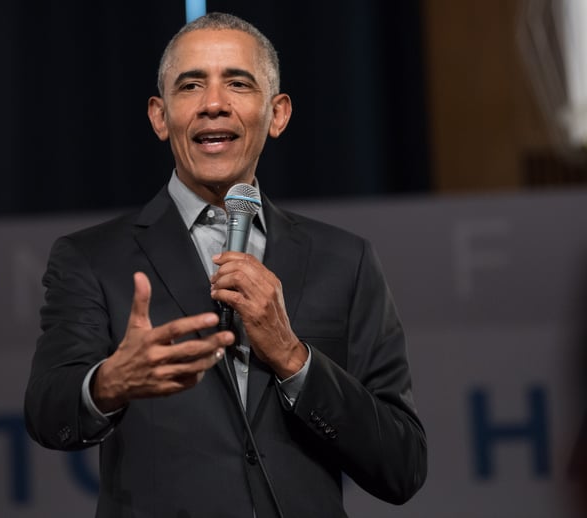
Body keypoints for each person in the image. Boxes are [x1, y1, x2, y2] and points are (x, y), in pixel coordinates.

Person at [25, 12, 427, 518]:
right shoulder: (91, 258)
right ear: (159, 115)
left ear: (277, 114)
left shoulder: (346, 260)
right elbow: (47, 413)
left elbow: (403, 464)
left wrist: (292, 357)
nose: (214, 104)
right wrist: (109, 382)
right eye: (191, 85)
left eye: (238, 83)